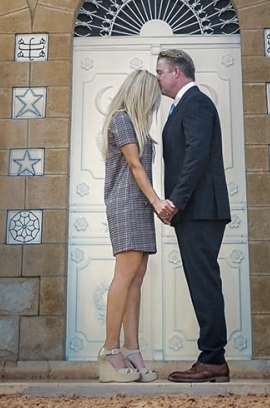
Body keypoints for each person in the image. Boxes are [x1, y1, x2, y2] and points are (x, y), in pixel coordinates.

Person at [154, 47, 231, 382]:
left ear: (177, 72)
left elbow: (196, 156)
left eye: (160, 72)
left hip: (200, 209)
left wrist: (175, 201)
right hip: (195, 210)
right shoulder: (181, 106)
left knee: (204, 284)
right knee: (202, 283)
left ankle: (213, 359)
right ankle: (210, 356)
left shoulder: (196, 102)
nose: (157, 77)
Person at [97, 68, 174, 383]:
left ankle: (132, 347)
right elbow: (133, 164)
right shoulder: (122, 119)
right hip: (127, 203)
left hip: (140, 205)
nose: (155, 106)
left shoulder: (137, 125)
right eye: (153, 99)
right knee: (124, 275)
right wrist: (158, 202)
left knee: (136, 279)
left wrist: (152, 203)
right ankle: (110, 350)